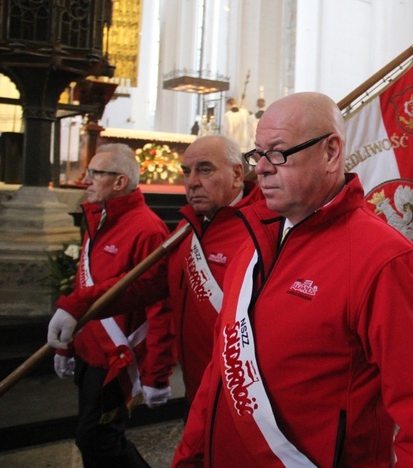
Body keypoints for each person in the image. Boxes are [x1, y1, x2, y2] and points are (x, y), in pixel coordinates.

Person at [173, 92, 413, 466]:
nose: (261, 168)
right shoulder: (255, 241)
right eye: (258, 154)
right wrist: (190, 455)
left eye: (278, 152)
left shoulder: (386, 260)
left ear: (330, 152)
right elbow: (223, 367)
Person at [48, 135, 264, 404]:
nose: (192, 182)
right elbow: (150, 282)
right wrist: (78, 304)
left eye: (205, 170)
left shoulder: (263, 229)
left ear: (236, 174)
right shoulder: (188, 228)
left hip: (243, 391)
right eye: (187, 172)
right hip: (197, 385)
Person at [47, 143, 176, 467]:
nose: (85, 180)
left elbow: (160, 307)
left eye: (94, 173)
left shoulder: (146, 229)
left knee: (98, 440)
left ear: (119, 181)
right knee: (94, 442)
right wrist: (68, 348)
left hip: (116, 359)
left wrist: (156, 374)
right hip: (91, 352)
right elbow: (86, 287)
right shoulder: (101, 217)